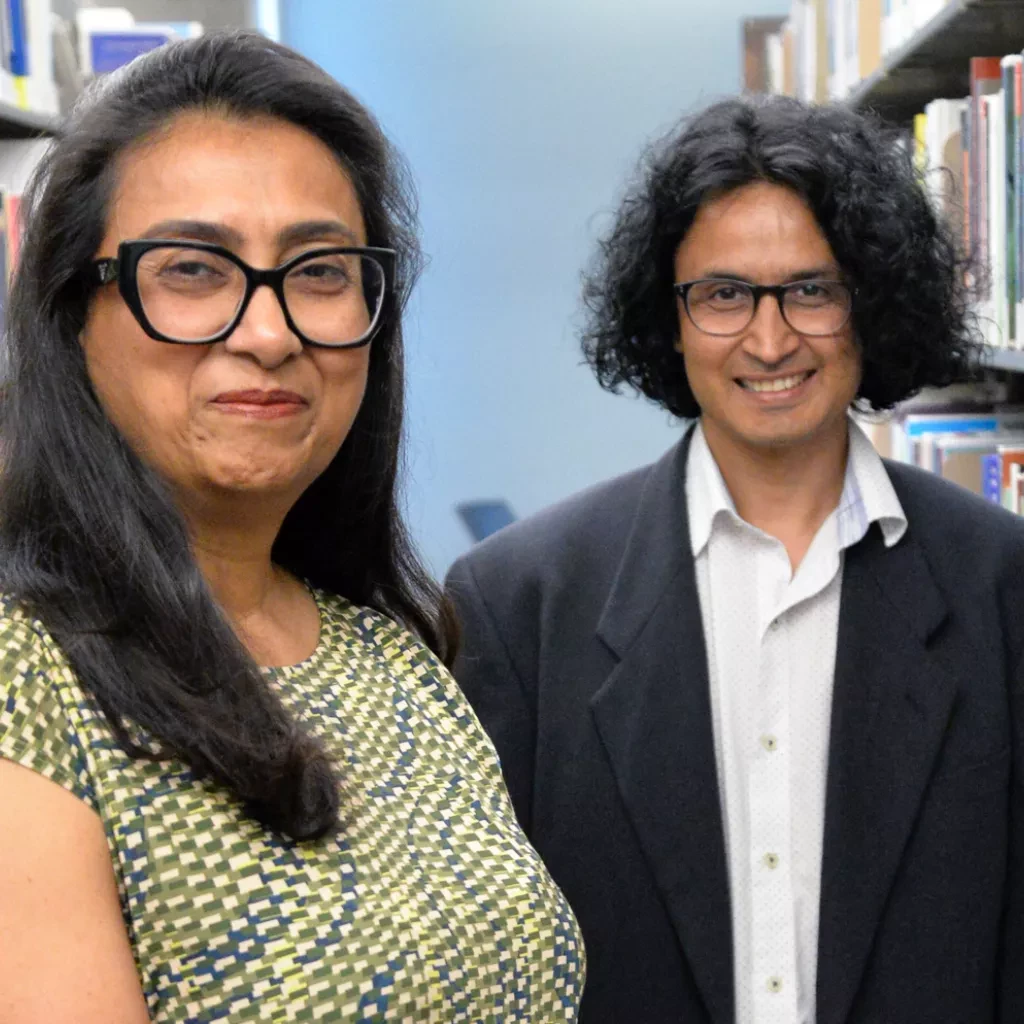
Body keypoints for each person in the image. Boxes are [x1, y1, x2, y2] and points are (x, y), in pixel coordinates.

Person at [0, 31, 584, 1023]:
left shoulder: (390, 652)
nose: (267, 334)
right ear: (71, 312)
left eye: (319, 271)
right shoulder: (26, 686)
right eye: (192, 270)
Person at [446, 95, 1024, 1024]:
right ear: (668, 320)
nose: (768, 339)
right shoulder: (520, 604)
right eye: (723, 295)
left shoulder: (1002, 585)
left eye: (812, 290)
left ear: (869, 304)